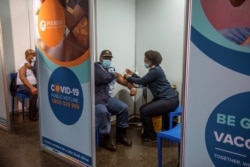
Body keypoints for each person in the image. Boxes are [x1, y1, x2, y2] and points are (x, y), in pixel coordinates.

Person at [124, 50, 179, 143]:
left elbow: (142, 81)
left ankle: (152, 137)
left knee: (144, 111)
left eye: (146, 59)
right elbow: (145, 80)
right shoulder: (156, 69)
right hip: (169, 99)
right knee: (144, 109)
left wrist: (127, 77)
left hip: (169, 100)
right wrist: (133, 74)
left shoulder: (155, 71)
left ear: (151, 60)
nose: (144, 60)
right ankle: (150, 133)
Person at [94, 50, 135, 151]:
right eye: (105, 58)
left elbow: (122, 80)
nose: (107, 60)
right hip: (97, 98)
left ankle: (121, 135)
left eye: (109, 58)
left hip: (107, 98)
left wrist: (132, 87)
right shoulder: (95, 67)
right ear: (100, 58)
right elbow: (102, 78)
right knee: (103, 112)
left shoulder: (112, 69)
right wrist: (114, 75)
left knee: (123, 107)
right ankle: (106, 137)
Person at [16, 49, 38, 121]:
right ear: (27, 55)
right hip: (22, 86)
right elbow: (22, 77)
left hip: (33, 85)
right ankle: (32, 115)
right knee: (33, 93)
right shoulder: (23, 63)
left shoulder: (32, 64)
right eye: (31, 55)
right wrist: (31, 87)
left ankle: (37, 110)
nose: (33, 57)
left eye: (33, 55)